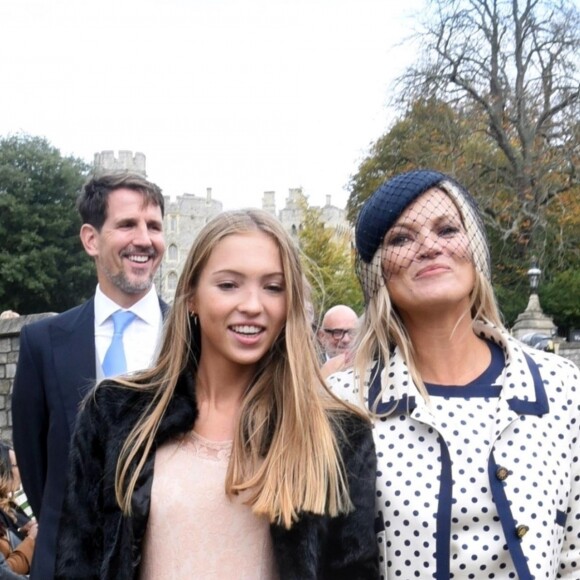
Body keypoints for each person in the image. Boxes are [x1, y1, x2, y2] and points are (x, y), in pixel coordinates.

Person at [55, 209, 379, 579]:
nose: (253, 305)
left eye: (273, 287)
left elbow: (352, 570)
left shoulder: (337, 432)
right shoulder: (115, 413)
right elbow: (77, 561)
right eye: (229, 285)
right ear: (191, 296)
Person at [328, 169, 580, 579]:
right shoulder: (342, 402)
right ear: (378, 273)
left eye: (447, 229)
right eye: (402, 239)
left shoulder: (561, 388)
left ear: (475, 250)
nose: (429, 247)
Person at [12, 171, 168, 579]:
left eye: (154, 226)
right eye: (127, 224)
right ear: (91, 239)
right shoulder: (43, 344)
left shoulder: (195, 338)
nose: (144, 239)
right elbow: (38, 470)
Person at [0, 443, 37, 576]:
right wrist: (31, 539)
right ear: (4, 470)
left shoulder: (10, 506)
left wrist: (24, 530)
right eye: (16, 465)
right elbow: (4, 571)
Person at [318, 305, 358, 377]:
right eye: (337, 332)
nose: (346, 339)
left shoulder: (369, 367)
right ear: (322, 336)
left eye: (352, 332)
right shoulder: (309, 368)